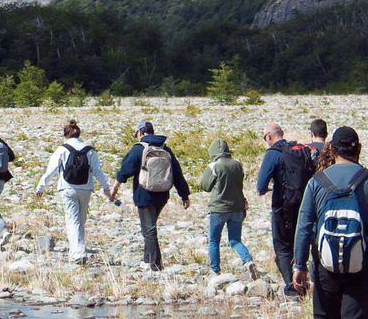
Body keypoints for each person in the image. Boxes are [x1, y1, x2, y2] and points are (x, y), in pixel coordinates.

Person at [292, 126, 368, 319]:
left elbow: (304, 227)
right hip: (362, 264)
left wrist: (299, 264)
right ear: (357, 148)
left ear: (332, 149)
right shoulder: (366, 179)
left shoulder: (317, 182)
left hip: (324, 264)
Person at [109, 120, 190, 271]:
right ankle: (147, 260)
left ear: (140, 132)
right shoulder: (165, 148)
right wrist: (184, 195)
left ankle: (155, 264)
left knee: (149, 229)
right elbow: (177, 173)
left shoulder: (139, 148)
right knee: (150, 227)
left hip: (144, 194)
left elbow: (125, 171)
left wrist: (114, 189)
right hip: (162, 194)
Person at [34, 119, 111, 264]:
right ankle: (78, 247)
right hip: (85, 188)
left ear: (65, 135)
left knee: (72, 220)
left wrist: (41, 187)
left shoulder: (62, 149)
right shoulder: (89, 150)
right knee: (81, 220)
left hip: (67, 188)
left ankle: (77, 253)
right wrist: (106, 188)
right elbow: (97, 171)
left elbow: (51, 170)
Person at [258, 122, 314, 297]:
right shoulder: (300, 149)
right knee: (301, 242)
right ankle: (303, 278)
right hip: (304, 205)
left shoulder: (273, 154)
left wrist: (269, 189)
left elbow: (261, 186)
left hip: (282, 207)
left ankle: (293, 287)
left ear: (269, 136)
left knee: (282, 247)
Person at [199, 138, 257, 279]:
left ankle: (215, 270)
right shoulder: (238, 164)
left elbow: (205, 186)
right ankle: (247, 260)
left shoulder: (214, 166)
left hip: (219, 209)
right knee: (235, 240)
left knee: (214, 240)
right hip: (237, 207)